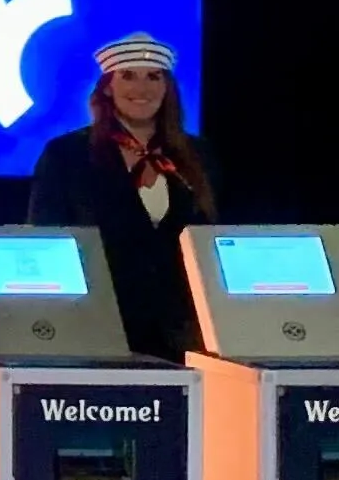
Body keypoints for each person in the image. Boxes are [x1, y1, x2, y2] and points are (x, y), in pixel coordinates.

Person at [25, 34, 218, 357]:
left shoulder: (199, 156)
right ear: (107, 87)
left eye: (153, 77)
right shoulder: (67, 155)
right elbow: (46, 244)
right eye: (128, 76)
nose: (141, 89)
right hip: (97, 331)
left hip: (184, 336)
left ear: (167, 87)